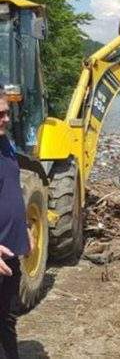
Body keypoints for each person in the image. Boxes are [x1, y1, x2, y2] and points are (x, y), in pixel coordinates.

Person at [0, 87, 32, 359]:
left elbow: (12, 189)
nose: (6, 119)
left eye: (7, 113)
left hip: (10, 256)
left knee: (8, 319)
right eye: (0, 114)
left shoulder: (7, 145)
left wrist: (26, 227)